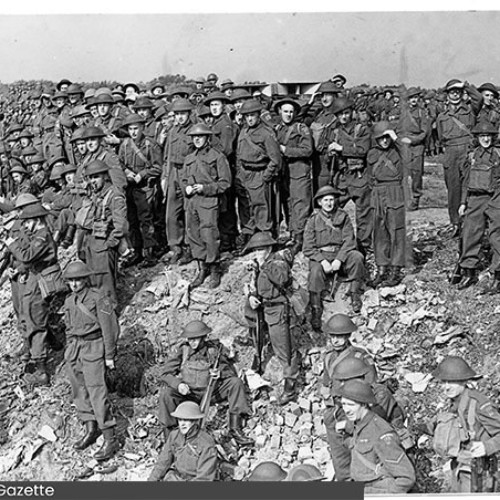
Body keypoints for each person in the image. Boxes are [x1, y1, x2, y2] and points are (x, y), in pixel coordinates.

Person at [157, 320, 253, 446]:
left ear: (204, 338)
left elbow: (229, 372)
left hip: (211, 392)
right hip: (189, 395)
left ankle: (235, 428)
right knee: (166, 394)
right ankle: (170, 437)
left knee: (236, 383)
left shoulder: (214, 351)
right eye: (190, 339)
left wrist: (219, 374)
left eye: (196, 339)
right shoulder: (183, 351)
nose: (193, 342)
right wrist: (178, 385)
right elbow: (165, 374)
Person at [62, 260, 120, 461]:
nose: (75, 284)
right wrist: (69, 350)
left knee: (98, 393)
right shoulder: (69, 301)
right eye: (71, 281)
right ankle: (90, 428)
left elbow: (109, 326)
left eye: (78, 280)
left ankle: (110, 438)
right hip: (75, 349)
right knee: (79, 390)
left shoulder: (100, 297)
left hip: (94, 346)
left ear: (85, 279)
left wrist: (110, 355)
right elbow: (69, 329)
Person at [4, 202, 66, 386]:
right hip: (35, 278)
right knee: (33, 315)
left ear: (35, 220)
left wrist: (10, 242)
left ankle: (41, 371)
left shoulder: (42, 236)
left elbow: (27, 255)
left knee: (35, 321)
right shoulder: (38, 234)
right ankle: (53, 344)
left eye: (27, 221)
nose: (24, 225)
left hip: (40, 282)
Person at [429, 356, 500, 492]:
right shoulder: (452, 403)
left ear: (464, 381)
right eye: (443, 382)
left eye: (452, 382)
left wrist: (487, 446)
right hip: (459, 465)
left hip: (478, 470)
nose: (446, 387)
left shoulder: (478, 403)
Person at [244, 232, 300, 404]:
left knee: (285, 352)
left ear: (268, 248)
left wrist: (263, 265)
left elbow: (282, 279)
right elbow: (260, 288)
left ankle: (290, 390)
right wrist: (251, 296)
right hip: (267, 310)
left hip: (279, 311)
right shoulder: (261, 265)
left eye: (261, 249)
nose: (257, 253)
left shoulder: (277, 262)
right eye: (255, 250)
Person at [321, 313, 376, 481]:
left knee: (360, 453)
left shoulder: (360, 357)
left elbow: (372, 386)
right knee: (339, 458)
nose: (335, 340)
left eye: (339, 336)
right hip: (334, 411)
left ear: (348, 336)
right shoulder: (329, 357)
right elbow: (326, 382)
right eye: (332, 336)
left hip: (354, 412)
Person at [303, 186, 365, 326]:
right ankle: (316, 309)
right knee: (315, 271)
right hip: (321, 255)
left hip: (339, 254)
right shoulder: (313, 220)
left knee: (357, 257)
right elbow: (307, 247)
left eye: (331, 199)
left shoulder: (343, 216)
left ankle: (355, 295)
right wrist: (323, 261)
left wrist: (339, 259)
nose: (329, 203)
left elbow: (349, 240)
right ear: (319, 202)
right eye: (325, 200)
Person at [339, 379, 415, 493]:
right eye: (343, 404)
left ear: (364, 404)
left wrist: (381, 495)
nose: (346, 410)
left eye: (351, 405)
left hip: (376, 490)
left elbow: (406, 478)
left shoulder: (381, 433)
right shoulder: (358, 424)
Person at [181, 123, 231, 289]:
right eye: (194, 137)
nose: (197, 139)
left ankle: (214, 267)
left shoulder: (217, 156)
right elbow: (183, 179)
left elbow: (225, 183)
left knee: (209, 234)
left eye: (200, 136)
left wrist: (206, 188)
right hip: (192, 201)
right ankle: (202, 268)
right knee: (194, 234)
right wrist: (187, 188)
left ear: (207, 138)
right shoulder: (189, 158)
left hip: (209, 201)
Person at [77, 160, 128, 306]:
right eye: (91, 177)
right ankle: (101, 316)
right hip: (92, 244)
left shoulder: (114, 195)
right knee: (94, 283)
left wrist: (109, 244)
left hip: (104, 246)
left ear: (105, 176)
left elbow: (121, 225)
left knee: (106, 286)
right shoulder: (95, 195)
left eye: (96, 177)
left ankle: (110, 316)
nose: (93, 181)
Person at [457, 121, 500, 290]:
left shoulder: (498, 154)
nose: (486, 139)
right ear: (477, 138)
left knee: (496, 236)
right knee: (470, 233)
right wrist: (462, 202)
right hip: (475, 199)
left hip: (495, 197)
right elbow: (465, 181)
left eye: (488, 136)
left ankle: (497, 275)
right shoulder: (471, 156)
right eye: (482, 136)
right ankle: (469, 272)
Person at [436, 79, 482, 235]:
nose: (455, 95)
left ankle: (470, 220)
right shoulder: (442, 116)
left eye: (458, 92)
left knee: (469, 186)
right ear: (447, 96)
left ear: (462, 94)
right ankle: (455, 222)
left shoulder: (470, 110)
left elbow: (479, 98)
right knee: (453, 189)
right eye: (452, 92)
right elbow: (441, 137)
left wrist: (466, 86)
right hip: (450, 152)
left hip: (467, 150)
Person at [328, 97, 372, 254]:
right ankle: (336, 241)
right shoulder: (334, 132)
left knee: (363, 214)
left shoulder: (362, 129)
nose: (344, 117)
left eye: (346, 113)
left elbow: (363, 150)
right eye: (340, 115)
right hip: (342, 177)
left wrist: (341, 148)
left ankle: (364, 246)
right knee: (332, 209)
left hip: (359, 176)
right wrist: (330, 151)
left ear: (352, 113)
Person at [118, 113, 163, 267]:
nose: (134, 132)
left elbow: (158, 167)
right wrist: (126, 172)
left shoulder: (151, 145)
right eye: (130, 129)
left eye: (136, 128)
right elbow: (120, 164)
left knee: (146, 220)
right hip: (130, 188)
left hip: (145, 188)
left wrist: (142, 174)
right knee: (132, 221)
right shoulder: (124, 145)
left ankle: (150, 253)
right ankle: (137, 252)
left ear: (143, 128)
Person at [367, 121, 407, 288]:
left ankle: (396, 269)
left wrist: (394, 136)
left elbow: (408, 152)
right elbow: (369, 175)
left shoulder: (399, 151)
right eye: (381, 138)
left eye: (387, 137)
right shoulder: (372, 154)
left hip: (394, 191)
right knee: (379, 232)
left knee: (396, 231)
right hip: (378, 193)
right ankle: (382, 268)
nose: (385, 141)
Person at [236, 99, 281, 242]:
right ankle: (248, 232)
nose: (249, 119)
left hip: (259, 172)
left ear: (258, 115)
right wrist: (240, 172)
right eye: (247, 116)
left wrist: (266, 177)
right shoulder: (243, 132)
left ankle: (265, 235)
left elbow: (275, 159)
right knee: (246, 205)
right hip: (245, 173)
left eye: (252, 115)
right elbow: (239, 154)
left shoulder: (266, 133)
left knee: (261, 206)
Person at [274, 97, 313, 255]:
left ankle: (300, 239)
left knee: (300, 205)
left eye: (291, 112)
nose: (288, 114)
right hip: (285, 173)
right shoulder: (277, 129)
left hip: (299, 171)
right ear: (280, 112)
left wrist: (285, 150)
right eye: (285, 111)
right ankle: (292, 234)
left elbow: (307, 150)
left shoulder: (301, 128)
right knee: (288, 204)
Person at [161, 98, 196, 265]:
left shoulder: (195, 130)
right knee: (171, 214)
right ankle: (175, 247)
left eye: (183, 114)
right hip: (173, 172)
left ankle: (190, 247)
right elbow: (166, 157)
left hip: (188, 172)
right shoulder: (172, 131)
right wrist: (164, 177)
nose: (180, 117)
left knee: (189, 211)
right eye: (177, 114)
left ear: (189, 114)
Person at [148, 401, 218, 481]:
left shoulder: (206, 443)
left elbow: (204, 478)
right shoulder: (174, 436)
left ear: (195, 421)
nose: (182, 424)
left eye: (186, 420)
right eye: (180, 420)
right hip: (176, 478)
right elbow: (162, 463)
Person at [397, 87, 428, 211]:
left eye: (415, 97)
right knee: (402, 174)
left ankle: (415, 199)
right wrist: (400, 140)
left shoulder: (422, 113)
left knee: (416, 174)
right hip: (404, 146)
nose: (413, 100)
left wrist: (413, 140)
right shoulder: (403, 113)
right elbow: (398, 129)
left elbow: (425, 132)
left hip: (417, 146)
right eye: (411, 98)